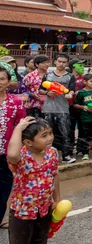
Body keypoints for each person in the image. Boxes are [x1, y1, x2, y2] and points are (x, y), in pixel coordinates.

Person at [7, 117, 61, 244]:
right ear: (28, 142)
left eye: (50, 133)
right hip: (23, 212)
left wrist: (57, 198)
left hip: (44, 209)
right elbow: (12, 155)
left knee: (40, 240)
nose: (50, 138)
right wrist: (19, 128)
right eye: (44, 135)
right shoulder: (21, 156)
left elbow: (55, 175)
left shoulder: (52, 153)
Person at [0, 65, 26, 230]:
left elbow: (21, 127)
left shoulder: (16, 103)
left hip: (6, 156)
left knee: (3, 191)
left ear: (9, 82)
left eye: (2, 79)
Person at [40, 53, 76, 164]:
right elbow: (40, 89)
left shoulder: (70, 76)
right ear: (55, 61)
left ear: (67, 63)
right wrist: (47, 92)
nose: (61, 64)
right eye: (59, 61)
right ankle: (46, 156)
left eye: (64, 62)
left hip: (63, 108)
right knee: (46, 133)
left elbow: (72, 90)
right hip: (48, 108)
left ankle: (66, 155)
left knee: (65, 132)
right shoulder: (48, 75)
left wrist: (70, 94)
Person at [68, 59, 86, 158]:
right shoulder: (67, 77)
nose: (82, 68)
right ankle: (69, 149)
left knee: (82, 129)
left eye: (83, 66)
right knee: (70, 129)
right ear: (73, 67)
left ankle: (81, 149)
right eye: (80, 65)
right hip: (69, 107)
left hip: (82, 107)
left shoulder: (84, 78)